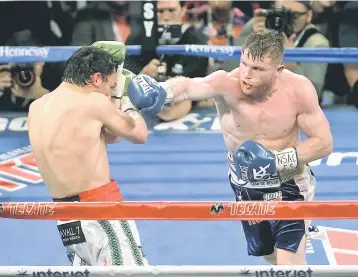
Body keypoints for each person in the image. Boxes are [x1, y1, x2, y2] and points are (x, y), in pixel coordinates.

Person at [126, 29, 334, 265]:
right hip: (244, 183)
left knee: (290, 261)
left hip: (289, 182)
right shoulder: (227, 83)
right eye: (244, 63)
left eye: (257, 69)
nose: (246, 74)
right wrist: (164, 91)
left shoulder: (299, 90)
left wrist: (276, 161)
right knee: (269, 255)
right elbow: (189, 86)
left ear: (278, 69)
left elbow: (324, 143)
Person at [27, 41, 151, 266]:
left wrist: (113, 95)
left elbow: (112, 135)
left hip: (66, 219)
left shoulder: (37, 107)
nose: (109, 92)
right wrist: (128, 100)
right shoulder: (92, 102)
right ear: (95, 79)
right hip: (101, 211)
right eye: (109, 86)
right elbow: (140, 134)